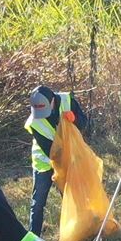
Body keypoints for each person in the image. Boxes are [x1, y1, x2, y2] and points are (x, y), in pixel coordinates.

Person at [23, 83, 91, 232]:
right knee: (38, 202)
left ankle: (78, 232)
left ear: (53, 100)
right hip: (44, 162)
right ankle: (33, 237)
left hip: (68, 159)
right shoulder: (34, 122)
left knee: (71, 199)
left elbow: (85, 123)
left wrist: (74, 119)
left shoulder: (67, 101)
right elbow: (50, 151)